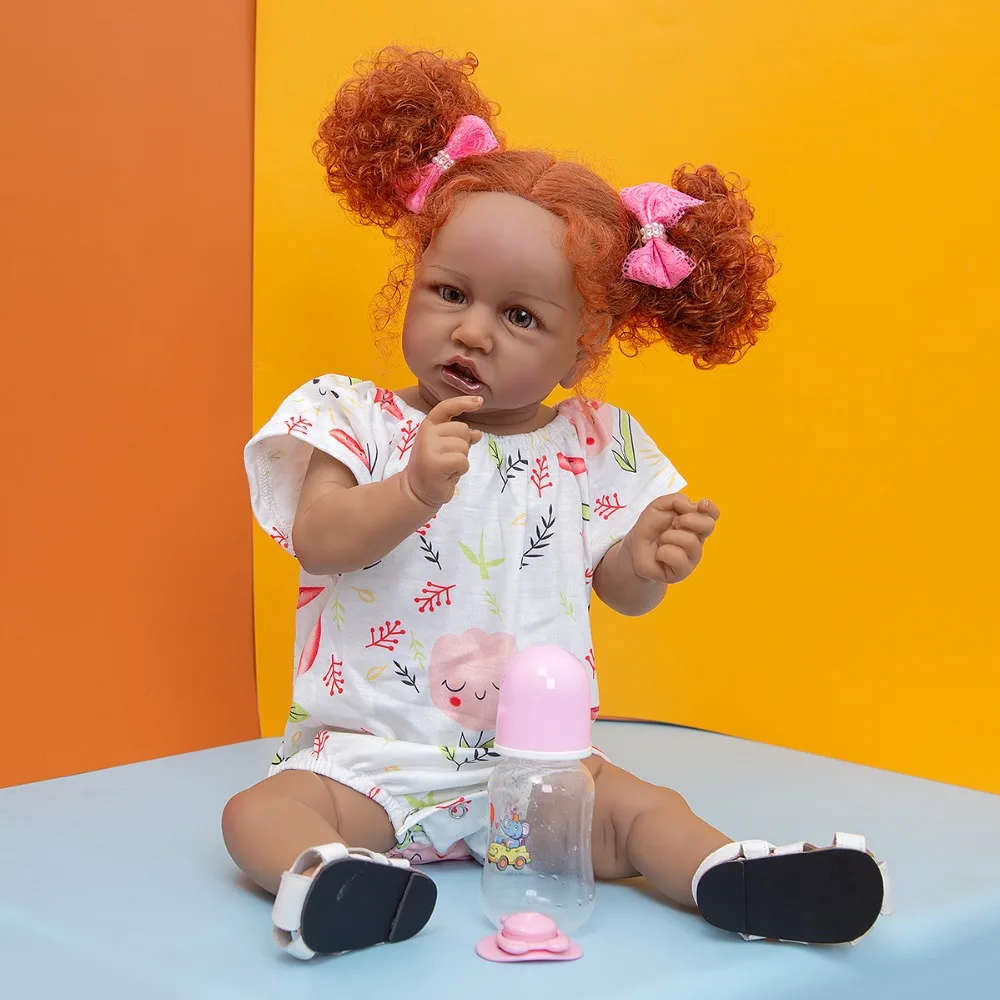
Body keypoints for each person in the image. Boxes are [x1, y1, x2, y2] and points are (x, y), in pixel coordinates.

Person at [222, 47, 888, 960]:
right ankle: (337, 879)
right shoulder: (351, 415)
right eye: (449, 293)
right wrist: (411, 488)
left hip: (540, 770)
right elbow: (321, 539)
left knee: (641, 810)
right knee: (257, 812)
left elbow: (621, 594)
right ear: (413, 281)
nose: (471, 330)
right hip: (369, 762)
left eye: (521, 316)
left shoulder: (594, 442)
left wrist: (647, 561)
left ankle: (731, 875)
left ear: (586, 345)